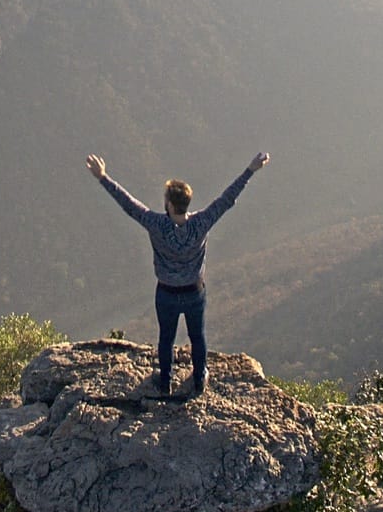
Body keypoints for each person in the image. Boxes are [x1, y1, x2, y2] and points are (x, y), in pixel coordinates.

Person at [85, 150, 268, 397]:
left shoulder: (156, 225)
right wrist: (250, 170)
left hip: (167, 293)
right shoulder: (201, 223)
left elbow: (128, 205)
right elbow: (227, 199)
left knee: (166, 339)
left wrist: (103, 177)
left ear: (169, 204)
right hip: (194, 292)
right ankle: (200, 376)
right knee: (197, 337)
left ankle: (165, 381)